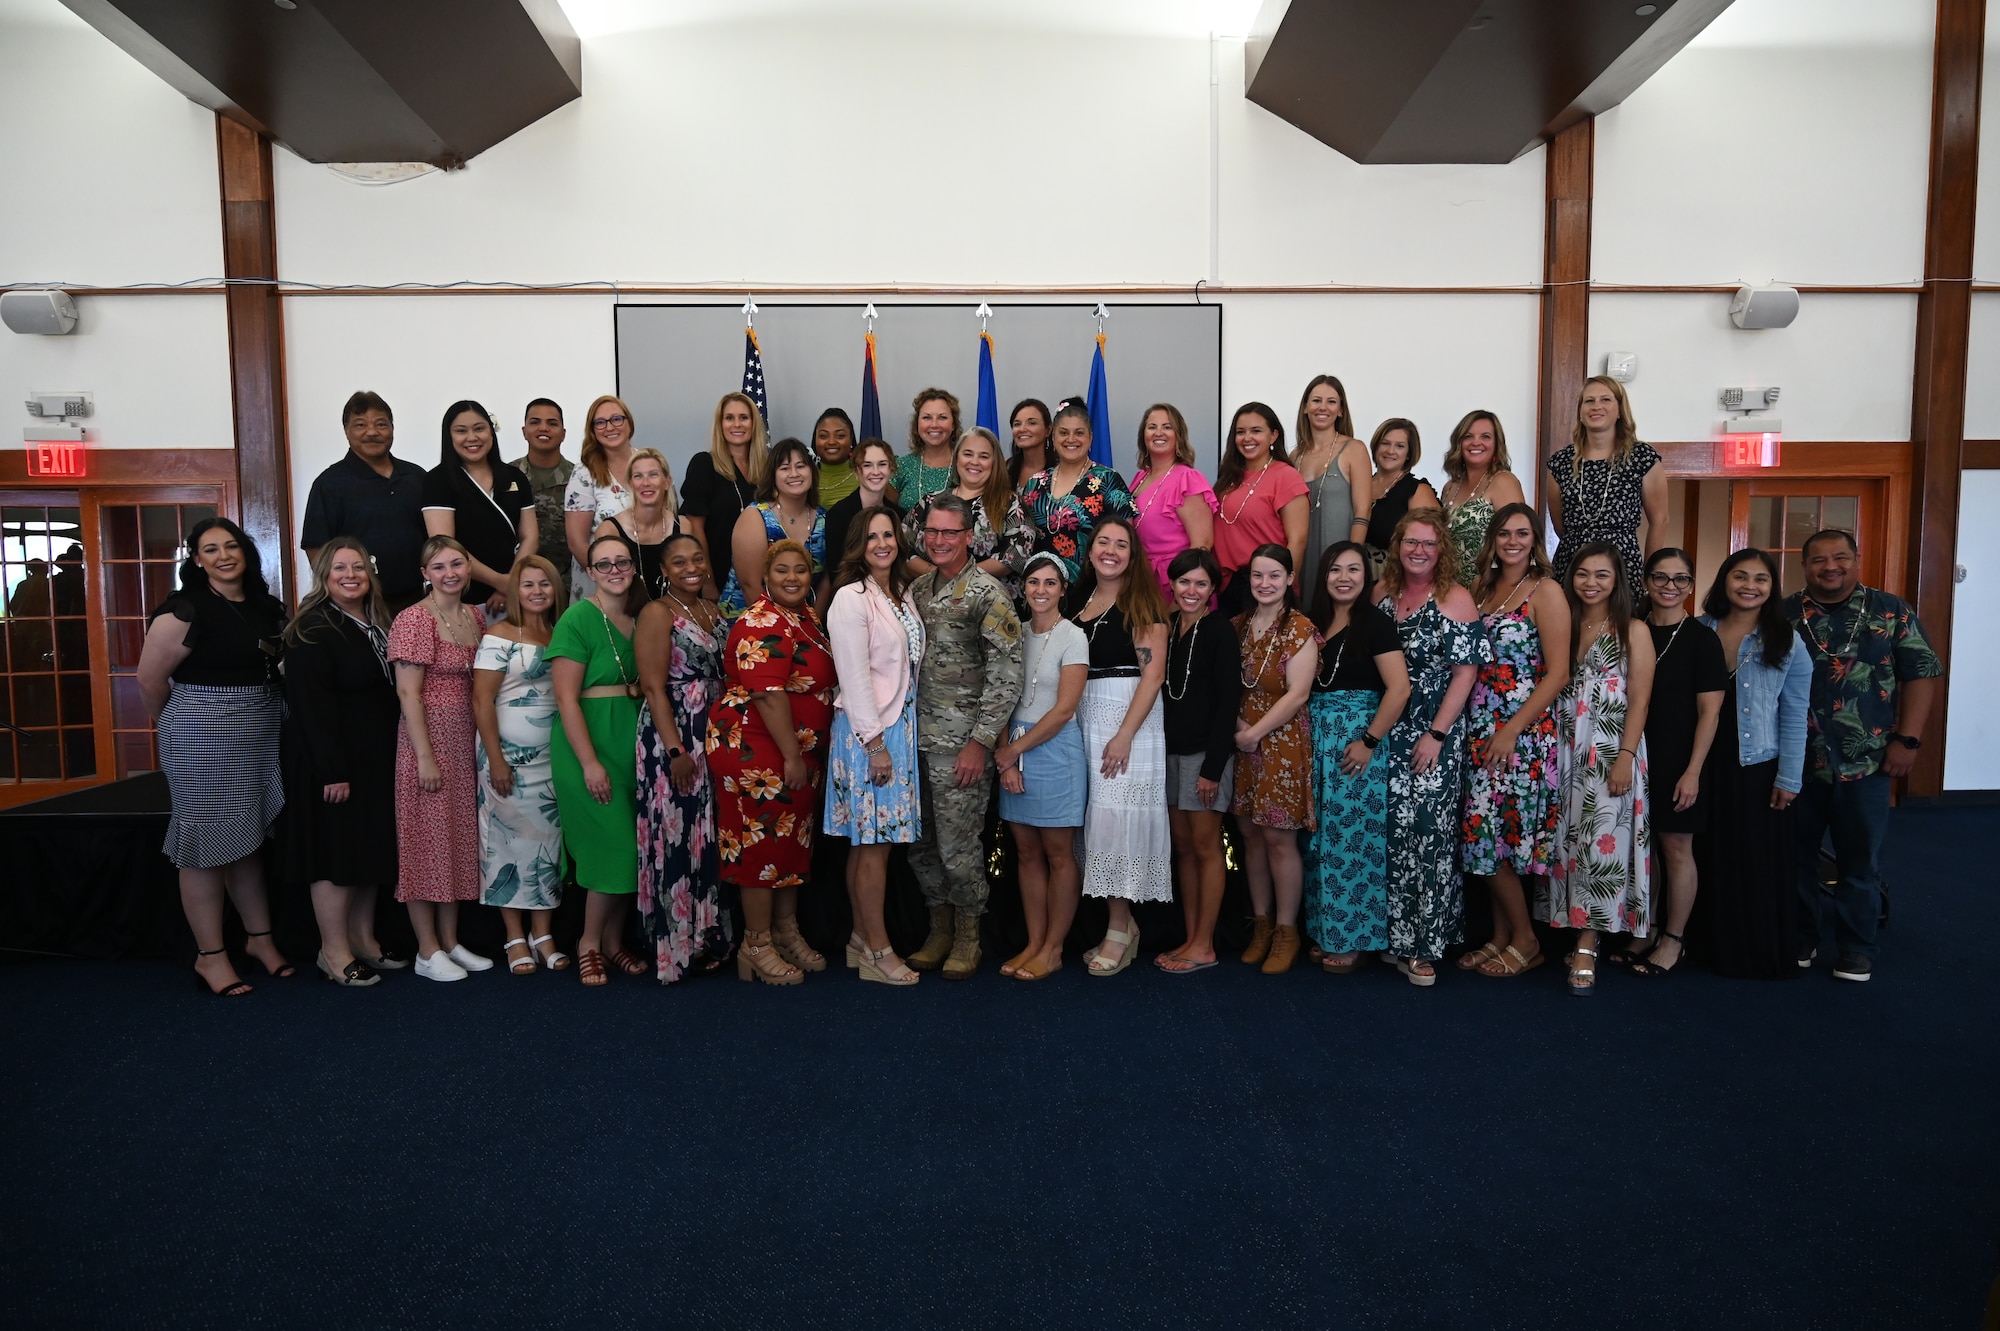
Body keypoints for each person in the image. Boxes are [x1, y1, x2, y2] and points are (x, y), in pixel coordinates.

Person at [137, 518, 290, 997]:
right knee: (204, 845)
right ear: (196, 559)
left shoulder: (268, 607)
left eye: (231, 546)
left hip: (262, 727)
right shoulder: (185, 609)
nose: (224, 555)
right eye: (211, 549)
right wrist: (181, 727)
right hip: (201, 729)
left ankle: (259, 940)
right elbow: (150, 680)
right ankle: (211, 956)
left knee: (247, 835)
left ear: (246, 551)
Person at [1782, 528, 1941, 982]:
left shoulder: (1891, 610)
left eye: (1840, 557)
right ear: (1804, 565)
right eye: (1818, 560)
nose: (1830, 567)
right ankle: (1800, 938)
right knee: (1795, 859)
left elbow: (1922, 674)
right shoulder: (1784, 614)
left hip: (1868, 759)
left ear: (1856, 558)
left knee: (1859, 861)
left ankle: (1856, 947)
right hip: (1796, 760)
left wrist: (1907, 741)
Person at [902, 495, 1024, 980]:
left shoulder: (988, 594)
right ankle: (939, 928)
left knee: (959, 847)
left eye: (949, 533)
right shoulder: (918, 590)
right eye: (932, 532)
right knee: (922, 845)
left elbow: (1007, 673)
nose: (938, 540)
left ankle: (969, 932)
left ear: (969, 537)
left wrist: (981, 742)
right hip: (915, 742)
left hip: (961, 746)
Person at [707, 541, 837, 984]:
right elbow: (767, 693)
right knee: (759, 844)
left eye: (801, 570)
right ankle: (755, 943)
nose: (792, 577)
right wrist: (790, 755)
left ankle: (784, 931)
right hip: (757, 749)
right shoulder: (761, 620)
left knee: (789, 841)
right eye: (782, 570)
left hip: (793, 751)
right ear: (766, 575)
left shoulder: (803, 617)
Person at [282, 538, 403, 987]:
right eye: (339, 568)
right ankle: (333, 953)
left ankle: (364, 941)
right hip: (334, 764)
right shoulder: (312, 628)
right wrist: (332, 769)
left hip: (374, 757)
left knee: (368, 850)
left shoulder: (378, 620)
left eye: (358, 567)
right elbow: (309, 708)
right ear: (324, 577)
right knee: (335, 857)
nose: (350, 575)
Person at [1456, 504, 1568, 978]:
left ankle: (1526, 940)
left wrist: (1511, 729)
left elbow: (1558, 672)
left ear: (1534, 539)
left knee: (1487, 832)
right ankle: (1500, 936)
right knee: (1489, 838)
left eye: (1522, 533)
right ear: (1492, 539)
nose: (1513, 541)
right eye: (1504, 533)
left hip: (1519, 731)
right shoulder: (1480, 589)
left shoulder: (1547, 591)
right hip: (1478, 726)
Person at [1378, 508, 1489, 986]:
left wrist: (1438, 734)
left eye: (1428, 543)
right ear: (1397, 547)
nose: (1418, 551)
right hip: (1387, 727)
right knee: (1390, 830)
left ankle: (1425, 944)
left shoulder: (1455, 598)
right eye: (1410, 542)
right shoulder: (1382, 595)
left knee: (1428, 833)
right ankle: (1393, 938)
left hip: (1433, 729)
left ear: (1441, 550)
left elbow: (1466, 674)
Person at [1695, 547, 1812, 979]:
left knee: (1754, 860)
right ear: (1724, 580)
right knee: (1710, 854)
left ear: (1772, 587)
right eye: (1740, 576)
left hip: (1758, 762)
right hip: (1704, 760)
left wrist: (1790, 778)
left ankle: (1755, 954)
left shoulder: (1787, 640)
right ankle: (1709, 947)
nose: (1749, 586)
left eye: (1760, 579)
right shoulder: (1699, 630)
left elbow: (1796, 714)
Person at [1545, 541, 1655, 997]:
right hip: (1564, 744)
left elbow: (1641, 699)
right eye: (1582, 573)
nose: (1590, 583)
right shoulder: (1564, 622)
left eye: (1602, 575)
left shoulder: (1633, 630)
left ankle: (1589, 942)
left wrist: (1626, 757)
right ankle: (1569, 926)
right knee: (1566, 837)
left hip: (1610, 747)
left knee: (1601, 844)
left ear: (1618, 581)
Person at [1609, 547, 1725, 978]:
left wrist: (1693, 771)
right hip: (1636, 751)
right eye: (1661, 578)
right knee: (1644, 847)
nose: (1670, 587)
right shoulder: (1629, 630)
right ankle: (1646, 926)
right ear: (1645, 582)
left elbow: (1710, 713)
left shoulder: (1701, 639)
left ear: (1692, 586)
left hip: (1681, 758)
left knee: (1676, 848)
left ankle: (1673, 939)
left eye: (1680, 580)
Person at [823, 509, 927, 986]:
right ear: (857, 544)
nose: (882, 543)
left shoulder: (900, 592)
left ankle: (860, 939)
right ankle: (879, 951)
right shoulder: (850, 597)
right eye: (872, 537)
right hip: (871, 735)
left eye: (888, 534)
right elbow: (854, 676)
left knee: (871, 846)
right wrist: (875, 744)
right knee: (874, 847)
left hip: (897, 729)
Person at [1070, 516, 1172, 975]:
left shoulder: (1142, 601)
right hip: (1083, 719)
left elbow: (1153, 675)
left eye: (1121, 545)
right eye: (1103, 543)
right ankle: (1122, 925)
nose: (1110, 550)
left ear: (1133, 556)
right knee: (1091, 822)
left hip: (1129, 720)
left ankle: (1118, 928)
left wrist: (1125, 734)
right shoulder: (1077, 599)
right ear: (1090, 552)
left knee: (1117, 823)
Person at [1303, 541, 1410, 973]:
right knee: (1319, 840)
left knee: (1352, 841)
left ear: (1366, 577)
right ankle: (1326, 928)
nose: (1343, 577)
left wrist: (1368, 741)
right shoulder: (1312, 624)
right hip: (1315, 738)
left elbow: (1399, 689)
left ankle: (1353, 936)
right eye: (1334, 570)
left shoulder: (1376, 624)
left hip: (1355, 744)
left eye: (1353, 569)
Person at [389, 536, 492, 982]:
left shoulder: (475, 616)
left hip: (465, 742)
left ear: (468, 568)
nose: (449, 572)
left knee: (455, 842)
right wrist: (425, 757)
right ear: (424, 574)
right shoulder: (413, 619)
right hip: (426, 744)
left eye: (456, 563)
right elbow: (408, 693)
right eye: (438, 566)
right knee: (424, 845)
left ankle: (451, 941)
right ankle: (426, 951)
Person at [548, 533, 649, 985]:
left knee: (634, 848)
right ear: (589, 573)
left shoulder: (640, 615)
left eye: (621, 562)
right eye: (603, 564)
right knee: (613, 847)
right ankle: (588, 941)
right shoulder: (576, 618)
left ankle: (612, 943)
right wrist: (589, 762)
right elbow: (566, 700)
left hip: (630, 739)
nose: (614, 570)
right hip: (586, 740)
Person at [634, 534, 731, 982]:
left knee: (707, 833)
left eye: (697, 558)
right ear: (665, 570)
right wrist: (675, 749)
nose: (691, 567)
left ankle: (707, 938)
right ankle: (675, 946)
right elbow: (653, 686)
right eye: (679, 562)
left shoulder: (713, 611)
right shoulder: (657, 612)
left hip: (712, 733)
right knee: (677, 834)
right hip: (673, 736)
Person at [472, 555, 569, 976]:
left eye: (544, 584)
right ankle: (514, 937)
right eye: (528, 585)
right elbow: (481, 700)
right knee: (508, 844)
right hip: (506, 757)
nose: (536, 592)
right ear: (515, 591)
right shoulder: (498, 635)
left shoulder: (561, 633)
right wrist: (496, 759)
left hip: (553, 758)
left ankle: (543, 935)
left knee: (549, 844)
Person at [996, 552, 1090, 981]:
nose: (1040, 590)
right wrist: (1006, 756)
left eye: (1050, 583)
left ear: (1063, 589)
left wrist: (1014, 753)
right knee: (1027, 852)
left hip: (1054, 750)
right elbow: (999, 698)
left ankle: (1053, 948)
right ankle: (1033, 942)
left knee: (1057, 854)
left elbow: (1064, 709)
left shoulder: (1073, 637)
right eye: (1033, 582)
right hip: (1012, 748)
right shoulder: (1013, 634)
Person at [1231, 545, 1319, 975]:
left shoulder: (1300, 628)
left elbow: (1298, 693)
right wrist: (1238, 729)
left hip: (1279, 740)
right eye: (1257, 576)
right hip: (1240, 737)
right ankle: (1261, 925)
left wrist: (1254, 733)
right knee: (1249, 834)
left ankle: (1287, 931)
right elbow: (1224, 682)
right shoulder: (1239, 625)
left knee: (1278, 839)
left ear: (1288, 579)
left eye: (1274, 576)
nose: (1265, 584)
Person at [1156, 548, 1240, 975]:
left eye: (1201, 583)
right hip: (1167, 753)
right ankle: (1190, 937)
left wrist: (1213, 768)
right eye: (1184, 581)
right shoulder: (1167, 627)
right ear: (1172, 583)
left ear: (1213, 589)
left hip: (1205, 757)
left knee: (1207, 848)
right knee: (1183, 848)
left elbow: (1228, 704)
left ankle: (1205, 944)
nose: (1191, 590)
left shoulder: (1220, 631)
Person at [300, 390, 429, 611]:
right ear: (346, 431)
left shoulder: (417, 477)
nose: (372, 432)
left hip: (420, 600)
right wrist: (345, 597)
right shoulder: (329, 483)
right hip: (361, 604)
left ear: (392, 429)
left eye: (381, 424)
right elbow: (317, 548)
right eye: (360, 425)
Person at [1546, 376, 1667, 587]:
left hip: (1622, 565)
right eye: (1589, 401)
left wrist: (1649, 574)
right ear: (1580, 412)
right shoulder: (1560, 462)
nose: (1597, 406)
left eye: (1606, 400)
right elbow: (1560, 526)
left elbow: (1660, 520)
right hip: (1572, 565)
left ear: (1620, 410)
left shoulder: (1642, 457)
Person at [422, 399, 537, 615]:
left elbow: (530, 537)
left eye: (479, 428)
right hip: (462, 596)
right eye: (461, 431)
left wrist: (509, 585)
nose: (472, 437)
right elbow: (447, 545)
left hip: (516, 593)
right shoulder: (437, 481)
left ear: (491, 433)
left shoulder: (515, 477)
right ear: (449, 437)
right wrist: (500, 582)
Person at [902, 426, 1034, 597]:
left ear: (995, 463)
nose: (975, 461)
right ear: (957, 459)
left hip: (993, 606)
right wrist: (936, 574)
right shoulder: (929, 502)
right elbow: (902, 547)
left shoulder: (1009, 503)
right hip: (931, 604)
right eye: (968, 454)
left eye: (984, 456)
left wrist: (960, 576)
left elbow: (1016, 555)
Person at [1212, 402, 1308, 613]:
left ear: (1273, 436)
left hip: (1266, 586)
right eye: (1240, 432)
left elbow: (1298, 540)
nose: (1247, 438)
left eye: (1256, 431)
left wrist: (1281, 588)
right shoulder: (1228, 478)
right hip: (1227, 586)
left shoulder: (1286, 476)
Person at [1015, 400, 1135, 569]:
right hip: (1041, 588)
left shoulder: (1108, 480)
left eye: (1079, 433)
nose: (1071, 439)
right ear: (1053, 436)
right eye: (1064, 433)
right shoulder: (1036, 482)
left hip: (1092, 586)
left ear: (1090, 437)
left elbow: (1127, 541)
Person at [721, 437, 827, 617]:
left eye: (801, 466)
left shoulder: (825, 519)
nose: (794, 474)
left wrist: (811, 625)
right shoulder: (756, 516)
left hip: (805, 621)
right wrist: (783, 629)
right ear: (773, 476)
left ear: (812, 471)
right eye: (785, 468)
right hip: (751, 619)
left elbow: (827, 581)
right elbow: (750, 585)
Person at [680, 391, 768, 598]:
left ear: (754, 423)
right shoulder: (704, 464)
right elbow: (695, 528)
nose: (737, 424)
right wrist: (707, 581)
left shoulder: (767, 470)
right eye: (729, 418)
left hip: (761, 579)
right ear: (720, 425)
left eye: (744, 418)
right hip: (719, 578)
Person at [1292, 375, 1373, 591]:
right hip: (1302, 562)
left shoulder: (1355, 449)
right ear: (1305, 407)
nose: (1323, 407)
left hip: (1339, 564)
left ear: (1341, 410)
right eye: (1316, 400)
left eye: (1331, 401)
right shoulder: (1294, 457)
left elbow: (1363, 510)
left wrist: (1351, 563)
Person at [1130, 403, 1218, 596]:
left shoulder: (1188, 479)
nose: (1158, 432)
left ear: (1179, 435)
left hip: (1178, 586)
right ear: (1143, 436)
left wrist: (1185, 591)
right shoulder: (1139, 479)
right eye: (1152, 427)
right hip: (1143, 582)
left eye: (1167, 427)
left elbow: (1202, 545)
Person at [563, 394, 640, 599]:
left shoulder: (648, 463)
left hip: (645, 577)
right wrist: (610, 579)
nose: (609, 427)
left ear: (629, 423)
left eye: (616, 419)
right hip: (601, 584)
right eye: (600, 422)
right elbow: (576, 541)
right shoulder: (584, 473)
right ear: (593, 431)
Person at [1438, 411, 1527, 588]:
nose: (1476, 442)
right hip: (1451, 589)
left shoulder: (1503, 481)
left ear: (1496, 444)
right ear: (1459, 443)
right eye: (1468, 436)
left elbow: (1518, 541)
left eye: (1485, 436)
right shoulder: (1450, 487)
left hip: (1488, 588)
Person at [595, 448, 686, 600]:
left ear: (667, 482)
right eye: (638, 476)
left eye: (653, 475)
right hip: (626, 615)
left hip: (676, 615)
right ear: (630, 484)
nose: (646, 483)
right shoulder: (609, 530)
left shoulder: (684, 526)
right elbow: (606, 591)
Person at [1362, 419, 1441, 581]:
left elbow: (1434, 547)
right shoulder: (1360, 484)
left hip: (1395, 580)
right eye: (1385, 443)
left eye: (1399, 446)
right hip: (1355, 577)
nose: (1390, 451)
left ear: (1409, 454)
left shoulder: (1418, 491)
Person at [512, 397, 574, 588]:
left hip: (568, 586)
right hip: (514, 586)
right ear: (524, 431)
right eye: (535, 422)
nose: (543, 428)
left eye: (552, 423)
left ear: (563, 434)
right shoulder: (505, 477)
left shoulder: (580, 479)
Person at [824, 438, 901, 581]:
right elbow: (836, 572)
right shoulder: (838, 515)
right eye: (867, 465)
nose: (876, 472)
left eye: (882, 464)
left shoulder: (898, 515)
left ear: (891, 470)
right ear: (856, 471)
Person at [893, 387, 960, 509]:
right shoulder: (902, 466)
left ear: (953, 425)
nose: (934, 424)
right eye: (927, 417)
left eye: (942, 417)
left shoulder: (965, 466)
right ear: (917, 423)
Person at [812, 407, 860, 506]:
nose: (832, 442)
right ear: (815, 440)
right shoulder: (801, 476)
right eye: (823, 436)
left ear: (851, 439)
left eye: (840, 436)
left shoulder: (865, 476)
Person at [1006, 397, 1053, 489]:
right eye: (1017, 424)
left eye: (1031, 423)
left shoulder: (1061, 471)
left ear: (1048, 430)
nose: (1022, 429)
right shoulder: (1004, 469)